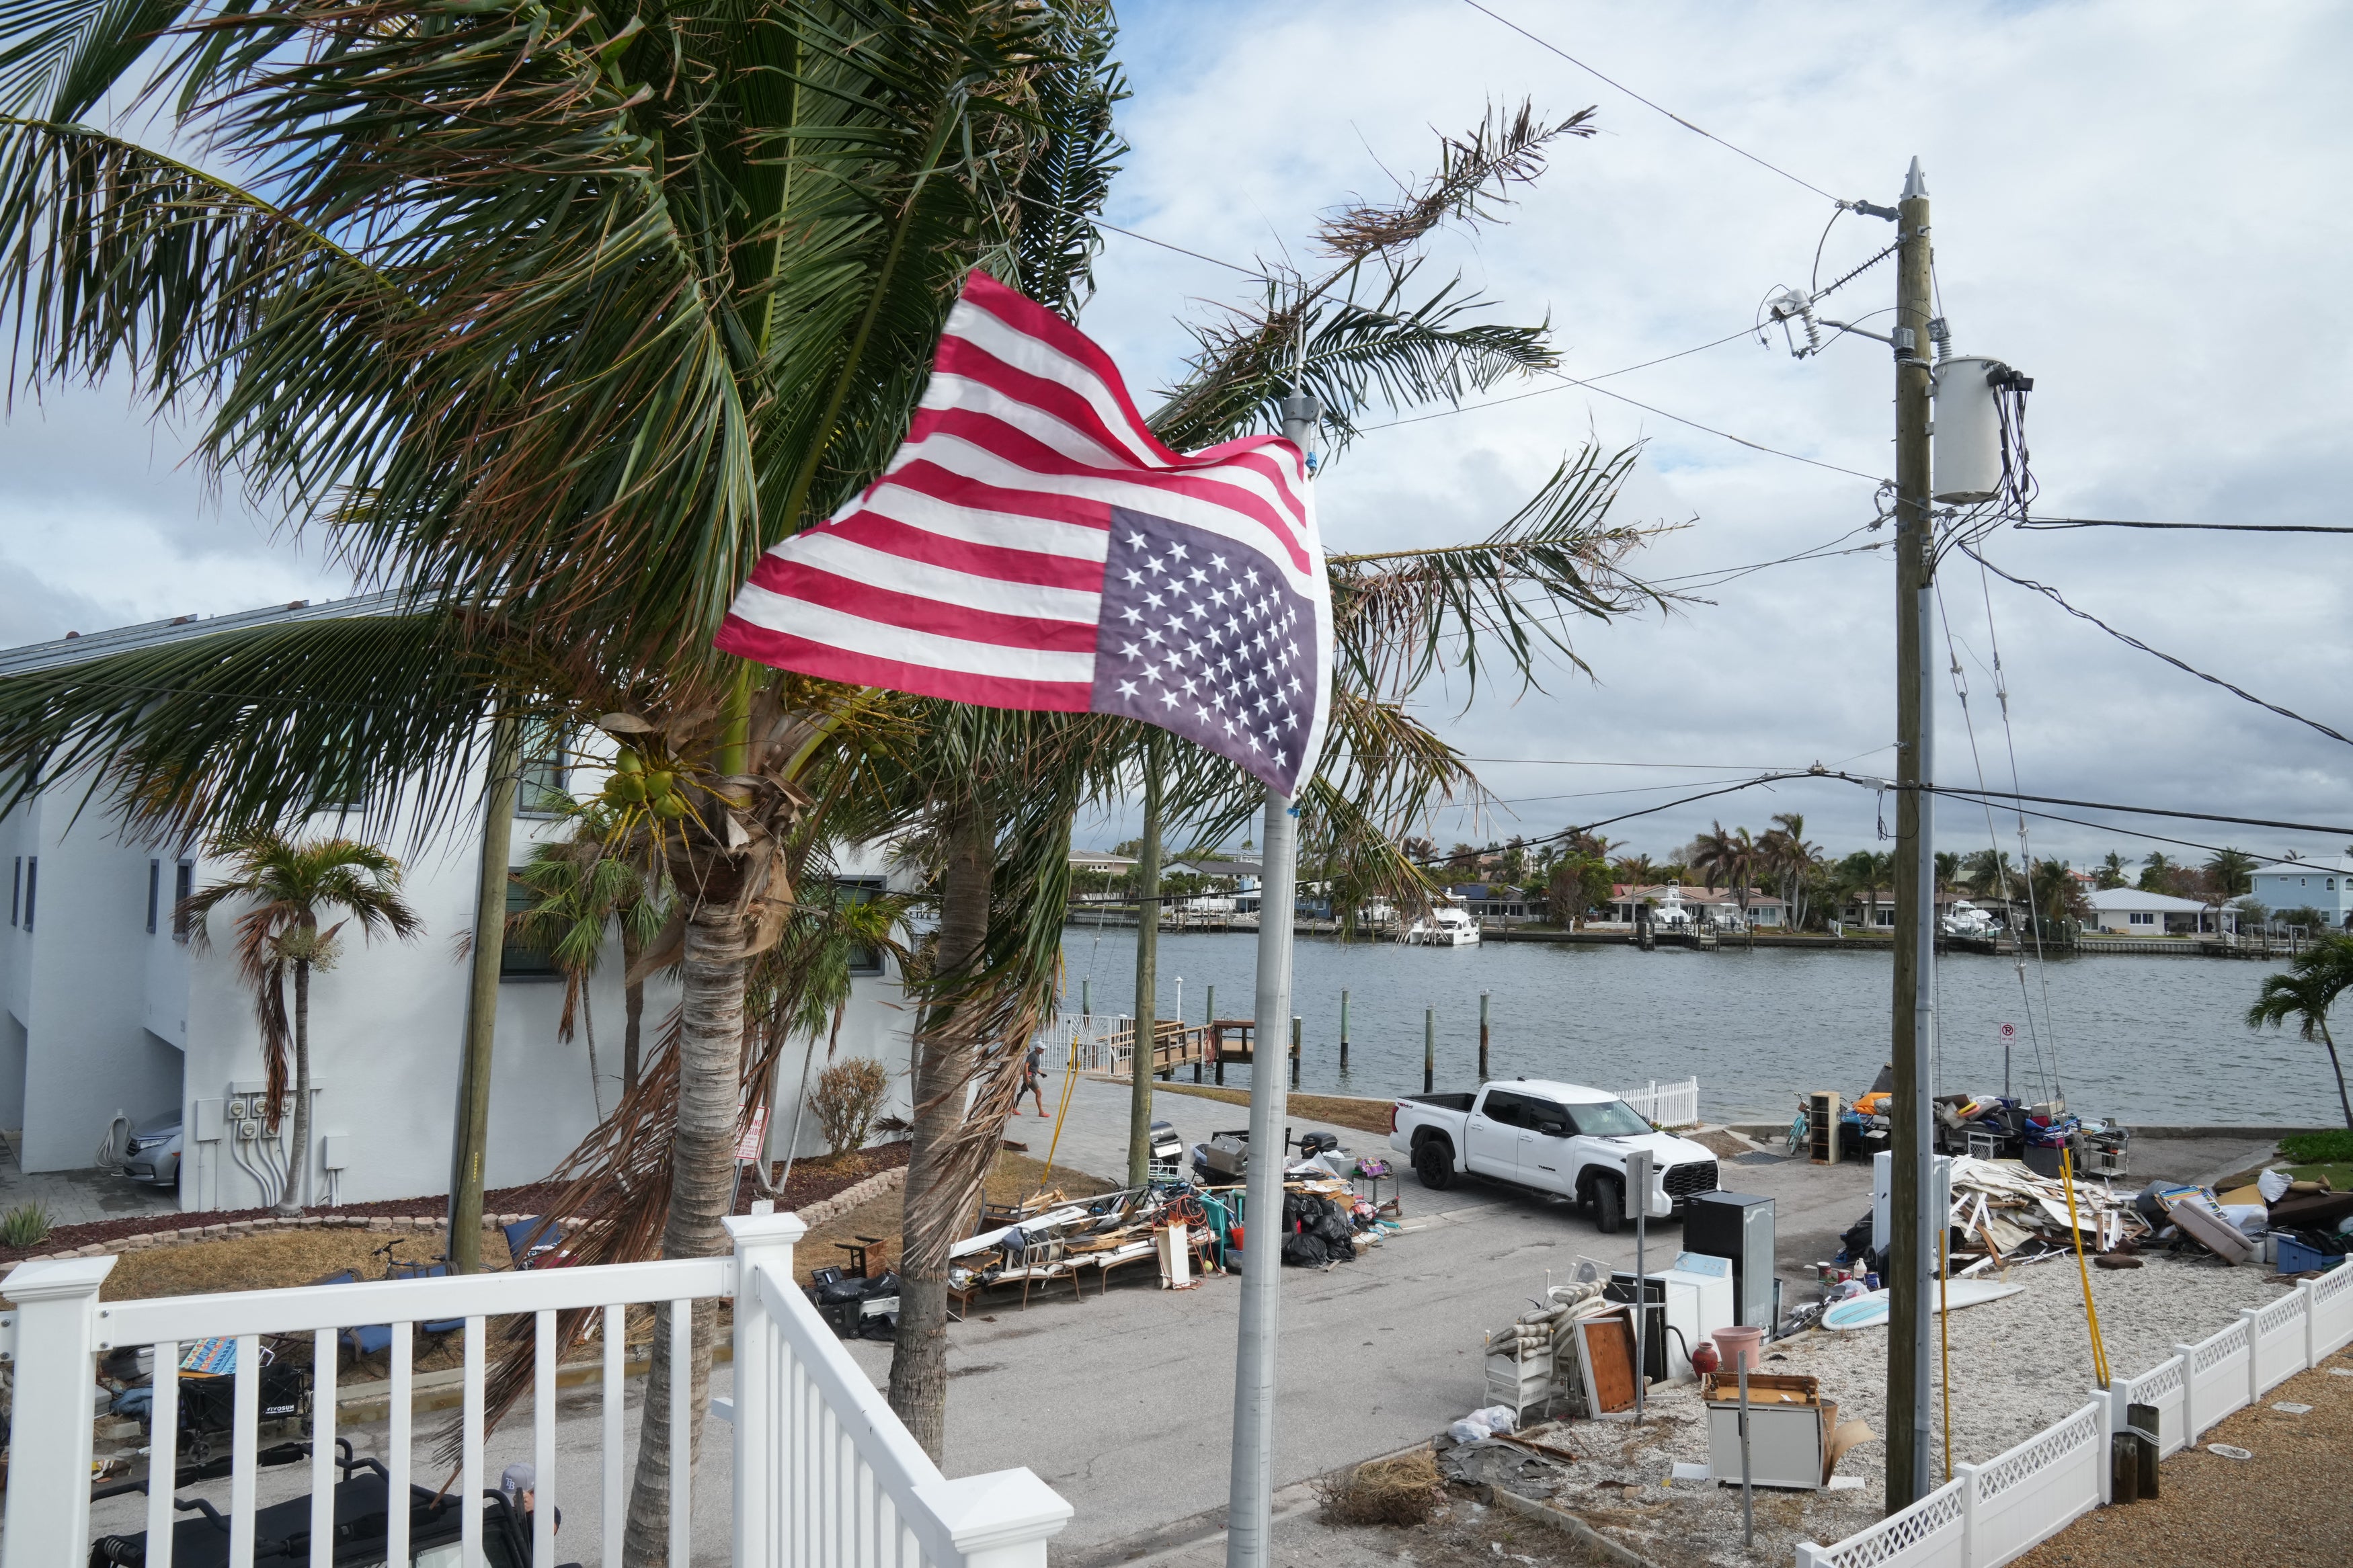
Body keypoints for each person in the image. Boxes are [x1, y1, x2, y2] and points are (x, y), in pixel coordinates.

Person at [1021, 1039, 1047, 1115]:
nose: (1043, 1050)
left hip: (1032, 1076)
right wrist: (1027, 1077)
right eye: (1042, 1049)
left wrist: (1042, 1074)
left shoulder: (1037, 1056)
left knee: (1023, 1091)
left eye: (1044, 1049)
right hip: (1030, 1076)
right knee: (1039, 1093)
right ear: (1037, 1048)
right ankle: (1041, 1112)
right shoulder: (1033, 1055)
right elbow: (1026, 1065)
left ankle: (1013, 1107)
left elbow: (1035, 1068)